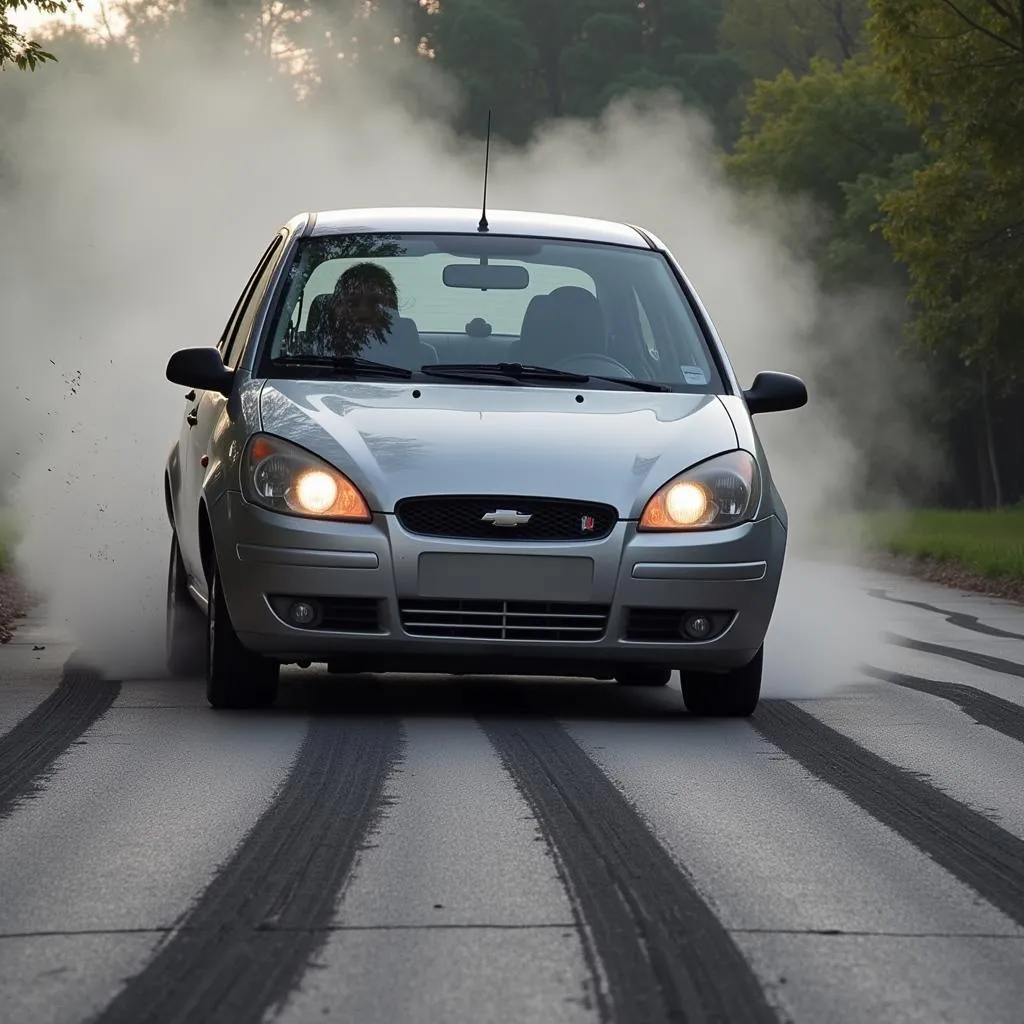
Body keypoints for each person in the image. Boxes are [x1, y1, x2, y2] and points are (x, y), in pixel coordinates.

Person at [321, 262, 399, 357]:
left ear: (394, 309)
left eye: (375, 303)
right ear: (335, 309)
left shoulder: (417, 360)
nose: (364, 313)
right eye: (352, 302)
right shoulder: (306, 354)